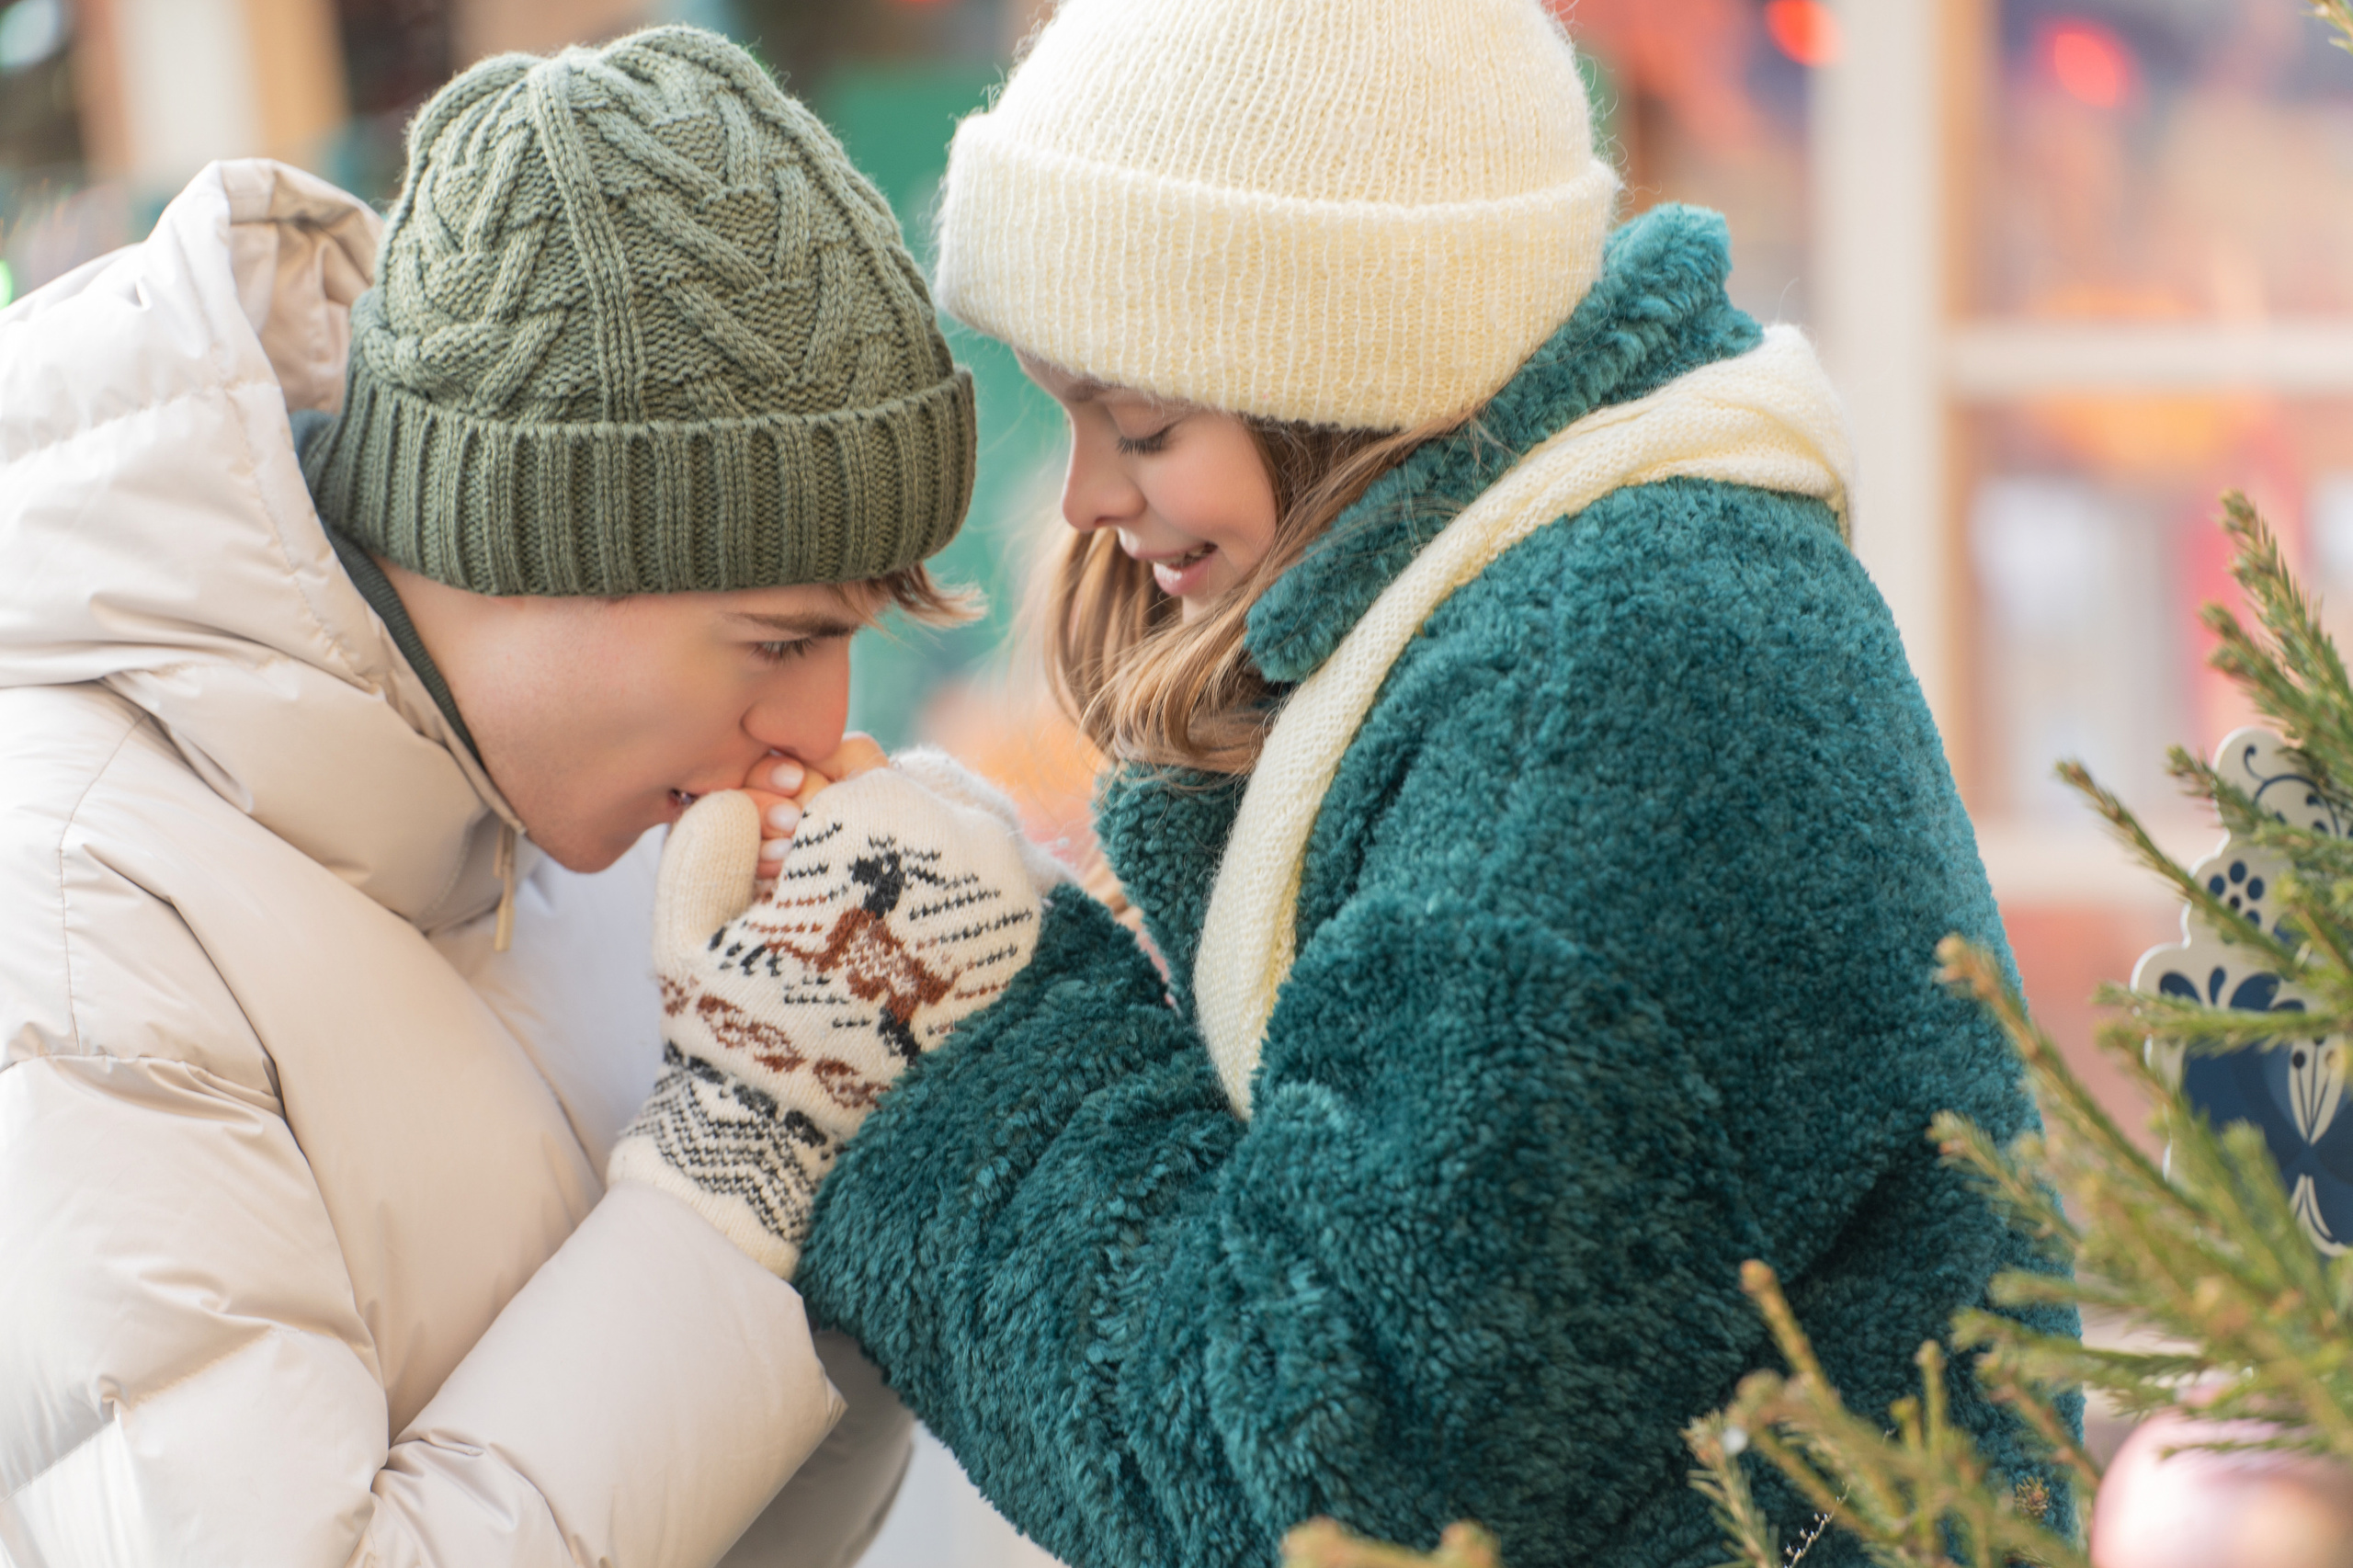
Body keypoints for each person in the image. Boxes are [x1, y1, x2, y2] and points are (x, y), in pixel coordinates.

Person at [642, 0, 2079, 1563]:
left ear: (1338, 368)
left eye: (1139, 422)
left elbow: (1311, 1471)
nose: (1086, 493)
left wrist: (929, 1036)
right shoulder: (1589, 605)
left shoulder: (1587, 719)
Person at [0, 26, 1019, 1562]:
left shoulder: (550, 818)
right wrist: (729, 1165)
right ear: (543, 543)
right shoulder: (72, 908)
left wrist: (843, 1147)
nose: (815, 731)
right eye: (781, 638)